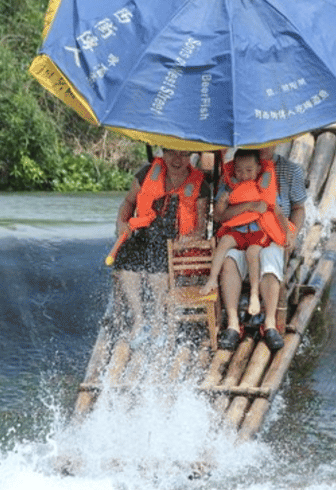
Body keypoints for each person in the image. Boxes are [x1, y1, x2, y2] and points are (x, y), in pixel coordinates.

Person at [110, 148, 210, 342]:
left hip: (174, 241)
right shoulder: (147, 173)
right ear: (162, 153)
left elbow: (200, 227)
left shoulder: (201, 186)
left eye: (183, 154)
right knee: (125, 261)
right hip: (144, 233)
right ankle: (139, 319)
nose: (177, 159)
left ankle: (157, 319)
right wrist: (122, 223)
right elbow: (129, 203)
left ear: (191, 157)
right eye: (172, 153)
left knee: (158, 267)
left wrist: (186, 240)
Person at [214, 145, 307, 352]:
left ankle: (270, 324)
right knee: (229, 258)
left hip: (271, 237)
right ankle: (232, 324)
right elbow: (219, 216)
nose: (264, 145)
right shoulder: (232, 171)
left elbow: (299, 209)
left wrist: (290, 236)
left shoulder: (291, 170)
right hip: (240, 235)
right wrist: (247, 206)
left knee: (271, 255)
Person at [200, 150, 288, 320]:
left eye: (249, 171)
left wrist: (288, 235)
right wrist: (223, 201)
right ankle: (212, 279)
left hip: (257, 232)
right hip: (238, 231)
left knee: (252, 253)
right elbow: (218, 215)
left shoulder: (264, 185)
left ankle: (254, 294)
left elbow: (278, 211)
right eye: (239, 171)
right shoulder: (229, 185)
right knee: (224, 241)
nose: (244, 175)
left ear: (257, 170)